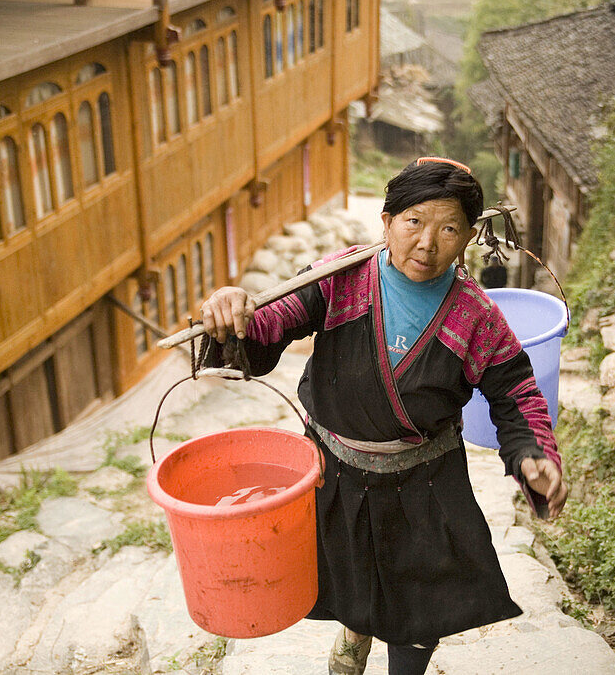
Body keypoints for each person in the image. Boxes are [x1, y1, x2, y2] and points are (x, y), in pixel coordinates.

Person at [199, 157, 567, 675]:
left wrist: (533, 453)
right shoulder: (340, 278)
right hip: (337, 473)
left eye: (449, 228)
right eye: (414, 221)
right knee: (351, 580)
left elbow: (516, 392)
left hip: (424, 482)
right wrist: (233, 311)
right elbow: (272, 320)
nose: (427, 243)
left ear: (466, 239)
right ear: (387, 222)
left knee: (420, 609)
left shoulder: (476, 315)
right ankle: (353, 640)